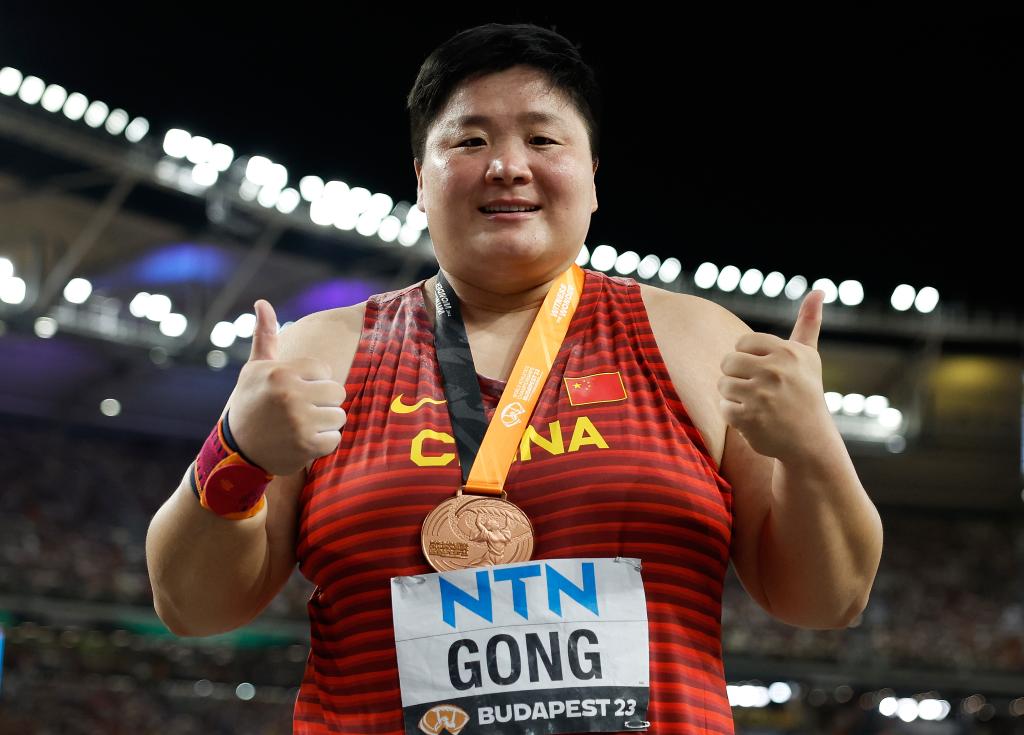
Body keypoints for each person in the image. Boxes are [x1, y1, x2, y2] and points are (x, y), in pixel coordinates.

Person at [146, 23, 884, 735]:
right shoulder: (323, 352)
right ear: (421, 179)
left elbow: (829, 600)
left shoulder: (696, 340)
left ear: (592, 176)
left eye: (542, 139)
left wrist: (812, 446)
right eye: (469, 140)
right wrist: (236, 452)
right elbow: (191, 607)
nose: (506, 165)